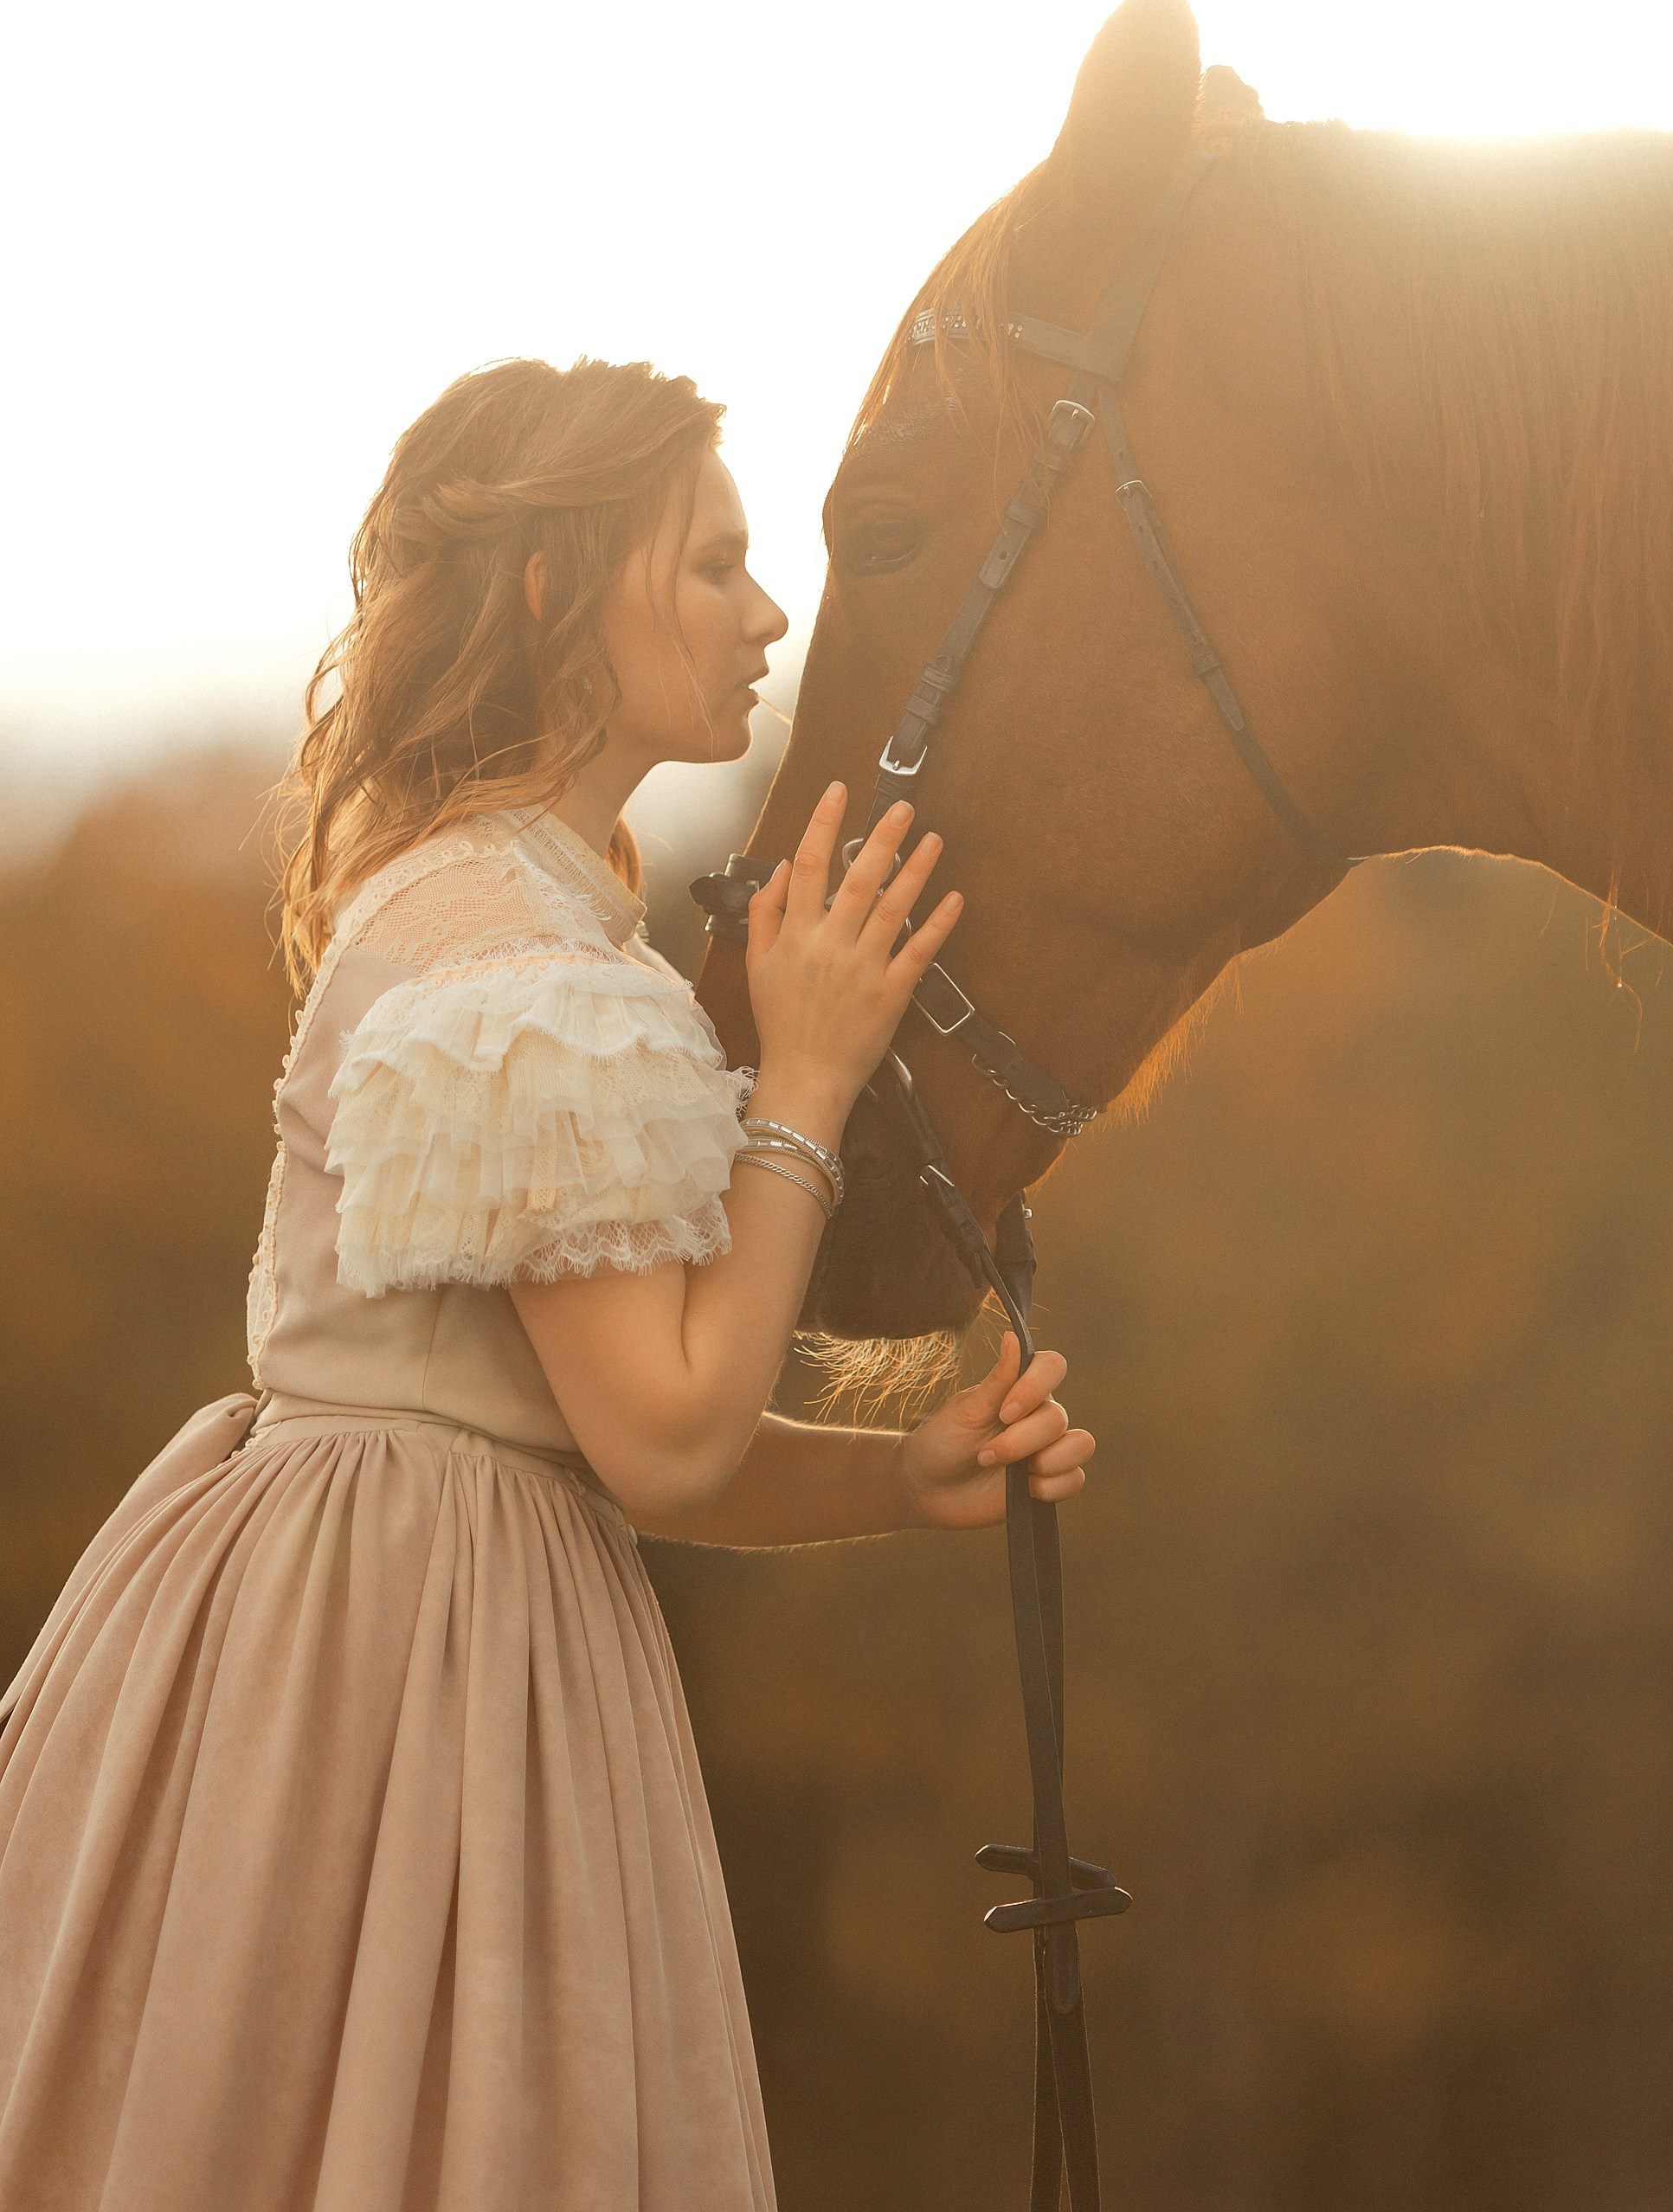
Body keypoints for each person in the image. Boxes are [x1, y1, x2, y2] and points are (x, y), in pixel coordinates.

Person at [0, 356, 1094, 2212]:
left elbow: (611, 1433)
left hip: (407, 1623)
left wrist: (894, 1474)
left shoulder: (537, 919)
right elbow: (666, 1441)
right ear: (547, 586)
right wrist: (809, 1079)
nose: (764, 619)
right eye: (711, 567)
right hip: (392, 1673)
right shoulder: (512, 959)